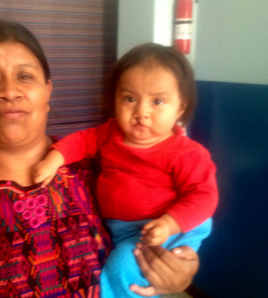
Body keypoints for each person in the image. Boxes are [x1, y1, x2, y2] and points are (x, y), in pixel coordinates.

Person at [0, 20, 200, 297]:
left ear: (47, 90)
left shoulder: (97, 168)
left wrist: (176, 273)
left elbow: (161, 228)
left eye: (25, 76)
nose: (10, 91)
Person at [34, 43, 219, 298]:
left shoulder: (186, 153)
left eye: (158, 101)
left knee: (121, 266)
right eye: (130, 98)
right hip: (124, 229)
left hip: (164, 227)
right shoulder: (110, 133)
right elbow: (81, 141)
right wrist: (54, 159)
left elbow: (204, 197)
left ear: (180, 107)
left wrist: (169, 223)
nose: (141, 112)